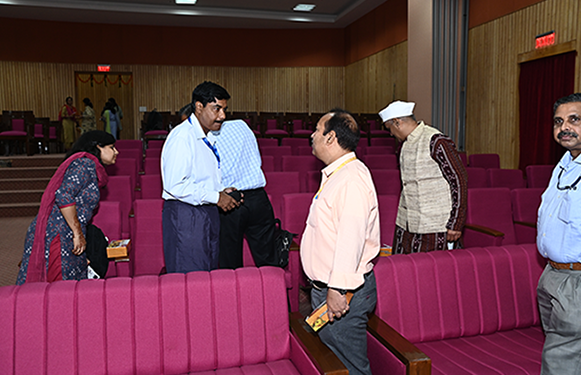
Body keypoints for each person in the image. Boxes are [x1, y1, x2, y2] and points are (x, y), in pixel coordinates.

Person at [301, 109, 380, 375]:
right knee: (334, 359)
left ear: (331, 137)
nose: (312, 135)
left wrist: (336, 289)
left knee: (350, 365)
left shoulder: (351, 180)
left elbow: (351, 238)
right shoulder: (340, 173)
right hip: (331, 289)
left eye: (317, 130)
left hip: (342, 292)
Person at [16, 131, 118, 284]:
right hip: (59, 234)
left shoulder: (89, 166)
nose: (116, 152)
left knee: (69, 287)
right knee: (58, 287)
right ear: (98, 147)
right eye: (111, 147)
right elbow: (63, 194)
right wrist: (77, 232)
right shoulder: (85, 164)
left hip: (67, 232)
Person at [161, 81, 240, 273]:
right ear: (199, 107)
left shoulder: (207, 137)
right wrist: (216, 197)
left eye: (224, 109)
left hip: (206, 213)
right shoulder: (182, 137)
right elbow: (176, 185)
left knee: (207, 274)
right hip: (186, 215)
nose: (222, 116)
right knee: (189, 278)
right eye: (216, 109)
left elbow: (199, 178)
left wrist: (221, 192)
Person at [378, 100, 467, 254]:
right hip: (407, 224)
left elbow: (458, 180)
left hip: (434, 226)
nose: (391, 133)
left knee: (432, 273)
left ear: (397, 122)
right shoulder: (404, 145)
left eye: (390, 128)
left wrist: (456, 223)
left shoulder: (436, 141)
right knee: (404, 270)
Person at [536, 93, 581, 375]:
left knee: (559, 361)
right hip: (552, 275)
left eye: (574, 119)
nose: (565, 127)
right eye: (558, 121)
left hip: (576, 282)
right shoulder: (563, 165)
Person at [214, 119, 276, 269]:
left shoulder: (208, 136)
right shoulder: (241, 124)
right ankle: (273, 291)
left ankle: (235, 293)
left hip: (230, 200)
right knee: (269, 260)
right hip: (258, 197)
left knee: (230, 264)